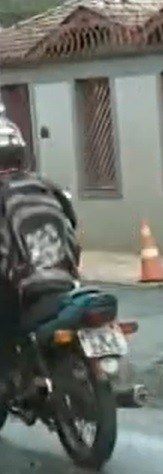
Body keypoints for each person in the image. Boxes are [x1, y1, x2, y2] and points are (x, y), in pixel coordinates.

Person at [0, 116, 81, 398]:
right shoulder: (47, 185)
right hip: (65, 275)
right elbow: (72, 223)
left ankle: (11, 379)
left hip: (23, 283)